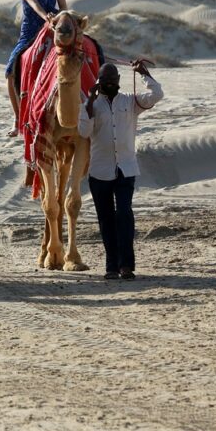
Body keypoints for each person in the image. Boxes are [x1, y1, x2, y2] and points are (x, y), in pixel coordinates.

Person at [78, 61, 164, 280]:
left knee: (124, 214)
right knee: (106, 219)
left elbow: (156, 94)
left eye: (113, 80)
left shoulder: (130, 101)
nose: (110, 84)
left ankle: (126, 265)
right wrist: (89, 99)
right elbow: (84, 131)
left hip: (126, 168)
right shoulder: (92, 105)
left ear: (118, 80)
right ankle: (111, 267)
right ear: (98, 82)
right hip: (100, 171)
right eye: (105, 81)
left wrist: (144, 74)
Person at [6, 0, 68, 136]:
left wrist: (62, 20)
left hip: (56, 26)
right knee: (10, 71)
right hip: (32, 30)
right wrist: (46, 17)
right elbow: (33, 5)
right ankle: (18, 119)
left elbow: (64, 7)